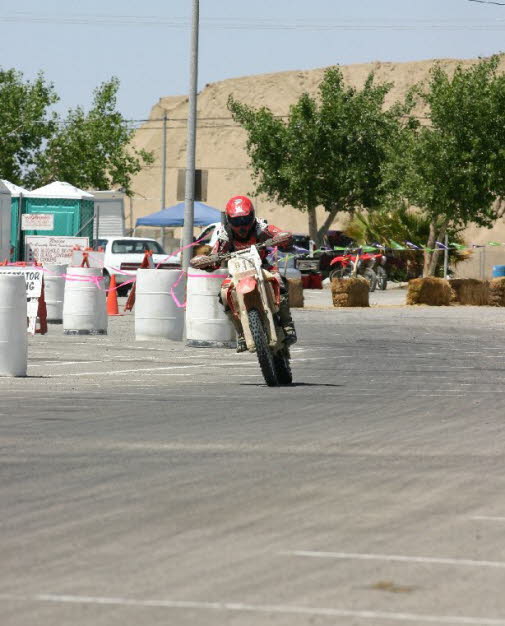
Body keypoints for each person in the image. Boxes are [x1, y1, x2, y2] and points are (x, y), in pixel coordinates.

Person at [191, 195, 297, 353]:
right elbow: (215, 255)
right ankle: (241, 334)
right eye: (236, 221)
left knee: (278, 280)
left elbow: (278, 234)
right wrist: (206, 262)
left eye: (245, 220)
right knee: (223, 294)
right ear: (229, 220)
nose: (241, 225)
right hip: (237, 272)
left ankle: (288, 325)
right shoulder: (225, 234)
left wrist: (282, 238)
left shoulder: (261, 227)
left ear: (252, 216)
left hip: (261, 266)